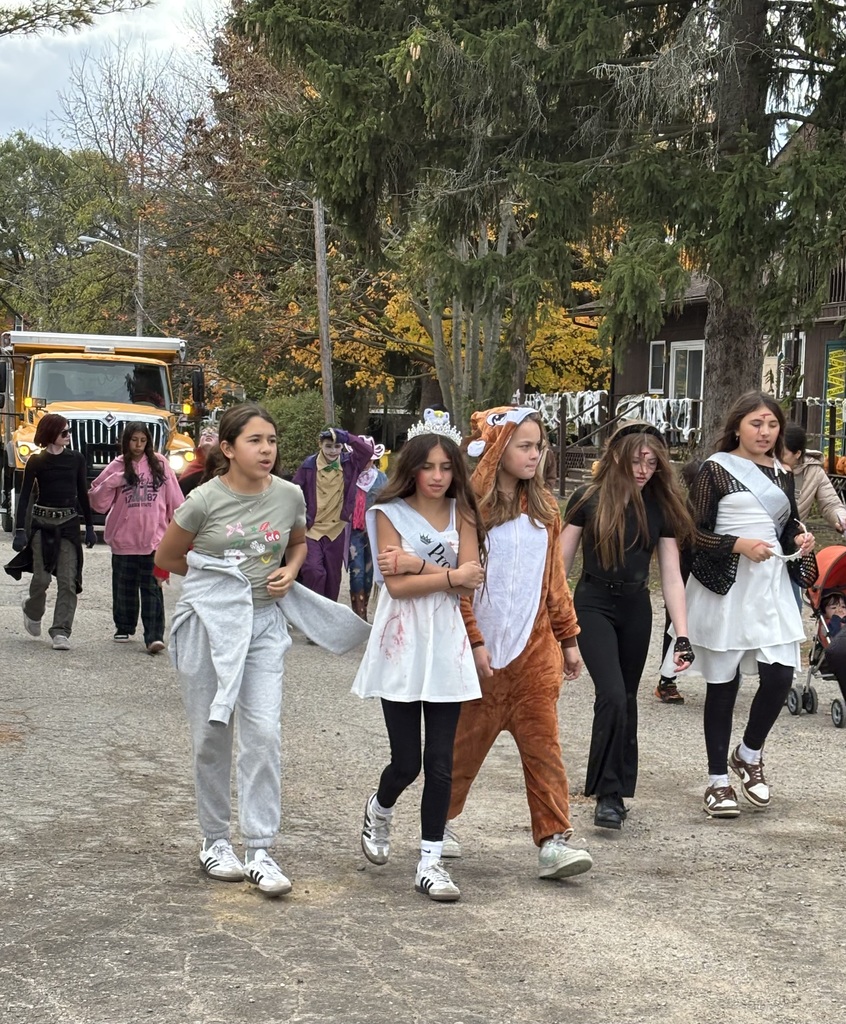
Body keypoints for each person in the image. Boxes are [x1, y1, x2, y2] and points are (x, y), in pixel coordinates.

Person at [155, 402, 309, 898]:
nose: (267, 450)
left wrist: (291, 569)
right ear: (227, 448)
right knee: (211, 737)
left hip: (264, 626)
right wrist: (218, 588)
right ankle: (215, 840)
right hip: (210, 625)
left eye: (272, 441)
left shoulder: (289, 496)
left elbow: (298, 543)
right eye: (255, 441)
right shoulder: (202, 500)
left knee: (263, 733)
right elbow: (167, 556)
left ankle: (260, 848)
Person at [440, 406, 594, 881]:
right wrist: (473, 643)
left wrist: (568, 639)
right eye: (524, 446)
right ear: (499, 450)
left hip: (534, 656)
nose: (535, 455)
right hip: (479, 657)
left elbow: (554, 582)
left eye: (539, 446)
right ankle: (438, 822)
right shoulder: (470, 511)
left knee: (544, 747)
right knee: (462, 750)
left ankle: (553, 840)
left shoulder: (547, 511)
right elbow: (460, 589)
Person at [351, 413, 486, 902]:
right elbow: (398, 587)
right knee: (407, 761)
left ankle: (430, 861)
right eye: (428, 466)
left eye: (446, 467)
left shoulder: (463, 514)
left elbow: (474, 576)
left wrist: (420, 564)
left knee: (441, 760)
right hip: (403, 640)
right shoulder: (389, 513)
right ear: (411, 468)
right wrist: (443, 574)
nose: (437, 476)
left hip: (446, 640)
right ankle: (380, 809)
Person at [669, 391, 816, 818]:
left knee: (779, 677)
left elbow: (785, 526)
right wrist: (736, 545)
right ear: (737, 426)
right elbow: (691, 535)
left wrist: (799, 539)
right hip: (726, 588)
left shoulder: (783, 473)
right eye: (756, 424)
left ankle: (749, 755)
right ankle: (717, 781)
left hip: (770, 587)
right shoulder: (715, 470)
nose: (765, 432)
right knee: (724, 683)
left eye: (771, 425)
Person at [562, 422, 695, 830]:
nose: (644, 469)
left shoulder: (662, 507)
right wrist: (557, 621)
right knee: (613, 695)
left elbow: (671, 576)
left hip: (637, 606)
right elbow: (559, 565)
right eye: (638, 460)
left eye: (652, 462)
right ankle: (604, 793)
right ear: (619, 456)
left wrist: (683, 635)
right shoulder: (588, 498)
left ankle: (616, 793)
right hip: (593, 602)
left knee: (629, 699)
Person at [88, 422, 184, 653]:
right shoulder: (117, 465)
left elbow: (175, 500)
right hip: (124, 537)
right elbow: (97, 501)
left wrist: (181, 529)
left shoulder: (160, 463)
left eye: (143, 440)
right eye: (134, 440)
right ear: (126, 441)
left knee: (152, 587)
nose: (139, 445)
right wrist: (114, 481)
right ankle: (124, 625)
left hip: (154, 538)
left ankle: (154, 636)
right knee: (124, 587)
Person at [5, 413, 96, 650]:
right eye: (63, 432)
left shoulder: (76, 459)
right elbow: (25, 495)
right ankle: (32, 609)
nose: (68, 436)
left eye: (69, 432)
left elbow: (82, 493)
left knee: (68, 580)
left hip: (68, 524)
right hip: (42, 525)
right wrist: (21, 531)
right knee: (42, 579)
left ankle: (61, 631)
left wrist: (89, 526)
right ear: (50, 435)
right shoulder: (36, 462)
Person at [292, 426, 377, 600]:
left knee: (333, 577)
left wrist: (347, 437)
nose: (333, 451)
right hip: (312, 529)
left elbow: (368, 451)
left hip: (336, 530)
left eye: (337, 446)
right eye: (328, 446)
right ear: (320, 444)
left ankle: (328, 615)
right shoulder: (308, 466)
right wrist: (300, 516)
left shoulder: (349, 463)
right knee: (313, 571)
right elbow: (293, 492)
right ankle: (313, 610)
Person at [655, 458, 702, 704]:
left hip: (713, 572)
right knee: (674, 623)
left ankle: (727, 677)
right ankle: (667, 680)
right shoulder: (683, 507)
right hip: (685, 570)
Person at [348, 436, 387, 620]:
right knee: (357, 572)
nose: (365, 462)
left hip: (373, 532)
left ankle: (364, 609)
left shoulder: (381, 479)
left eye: (368, 458)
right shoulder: (348, 477)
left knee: (370, 574)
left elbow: (389, 503)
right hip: (353, 532)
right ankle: (359, 615)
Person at [178, 428, 219, 498]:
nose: (208, 435)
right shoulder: (192, 468)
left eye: (213, 434)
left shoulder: (226, 467)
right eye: (204, 434)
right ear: (199, 443)